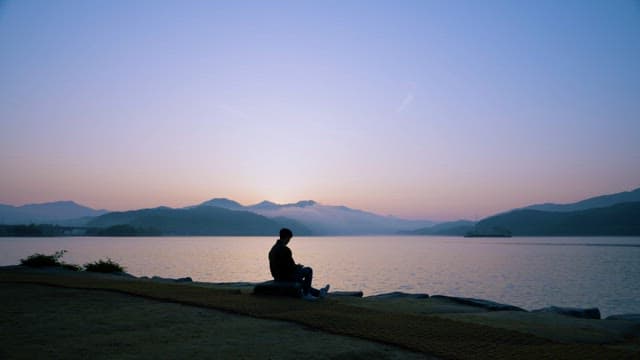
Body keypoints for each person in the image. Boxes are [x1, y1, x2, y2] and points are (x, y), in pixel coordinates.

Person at [269, 228, 329, 299]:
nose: (289, 241)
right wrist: (298, 267)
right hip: (285, 276)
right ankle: (306, 294)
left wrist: (295, 267)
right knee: (308, 270)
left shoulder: (273, 249)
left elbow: (283, 265)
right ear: (287, 237)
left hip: (277, 276)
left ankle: (320, 293)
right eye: (289, 239)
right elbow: (290, 267)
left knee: (302, 282)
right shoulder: (285, 249)